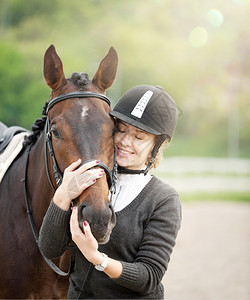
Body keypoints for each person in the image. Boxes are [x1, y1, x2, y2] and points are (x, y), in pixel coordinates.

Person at [39, 84, 182, 299]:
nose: (125, 141)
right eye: (121, 130)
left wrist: (97, 258)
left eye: (139, 137)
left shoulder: (163, 199)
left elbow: (149, 276)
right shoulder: (89, 181)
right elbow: (50, 249)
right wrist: (63, 194)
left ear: (157, 146)